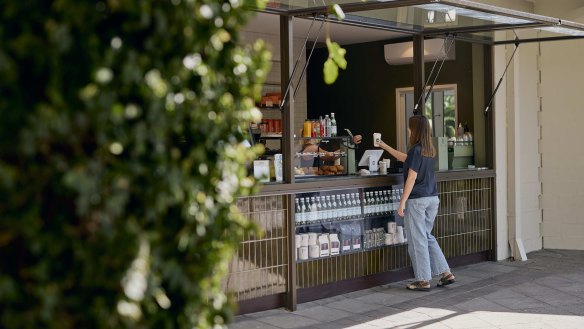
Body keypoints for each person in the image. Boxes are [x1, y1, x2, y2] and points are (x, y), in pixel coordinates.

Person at [376, 115, 455, 291]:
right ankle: (446, 273)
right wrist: (384, 146)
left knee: (417, 240)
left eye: (410, 127)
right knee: (426, 237)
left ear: (415, 130)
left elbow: (411, 178)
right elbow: (405, 158)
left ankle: (423, 280)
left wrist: (402, 202)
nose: (408, 130)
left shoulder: (416, 150)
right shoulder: (428, 150)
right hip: (432, 199)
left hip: (417, 201)